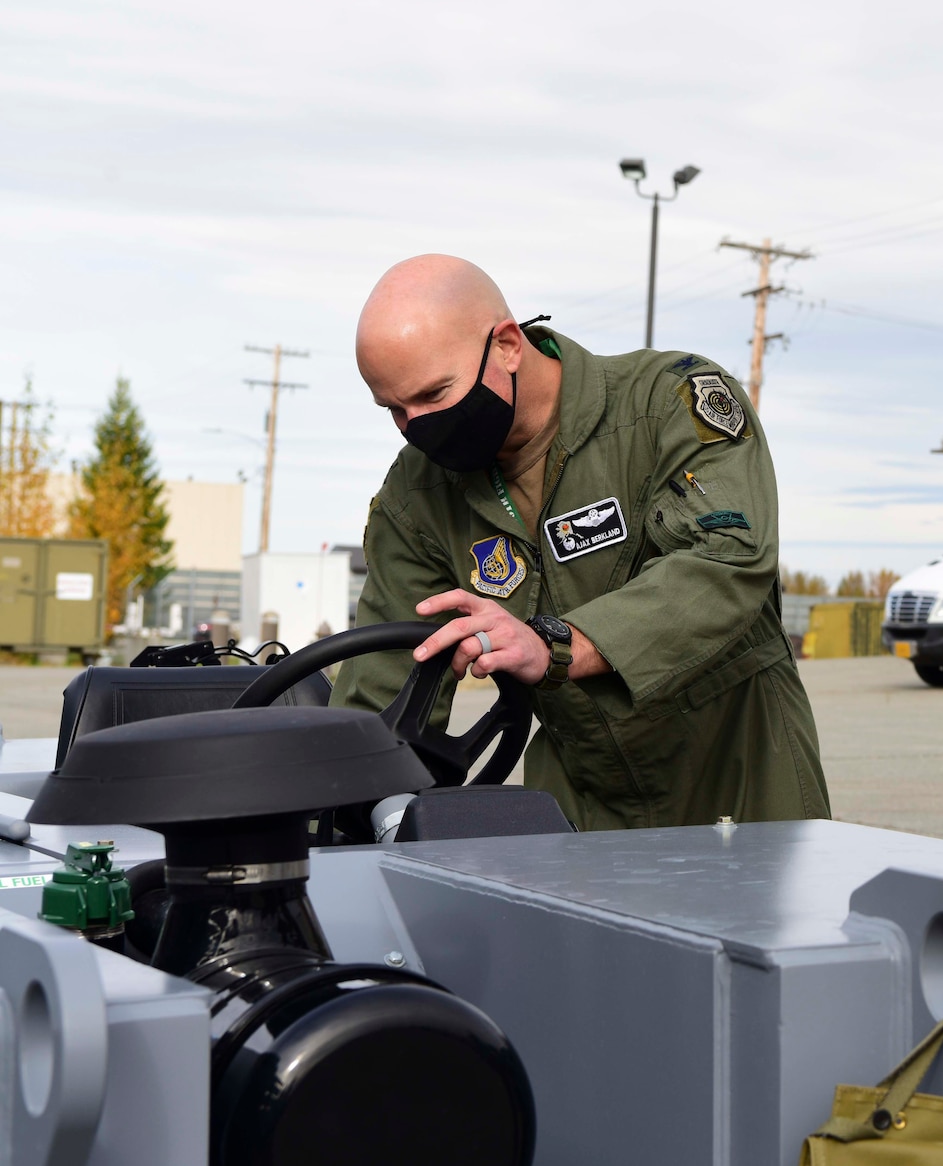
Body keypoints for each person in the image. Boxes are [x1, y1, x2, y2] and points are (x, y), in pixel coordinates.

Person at [332, 254, 831, 831]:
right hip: (581, 805)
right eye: (393, 408)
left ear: (508, 346)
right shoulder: (416, 493)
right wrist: (346, 784)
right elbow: (386, 679)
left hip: (741, 784)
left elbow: (727, 561)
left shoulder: (669, 405)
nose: (415, 425)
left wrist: (556, 643)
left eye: (435, 394)